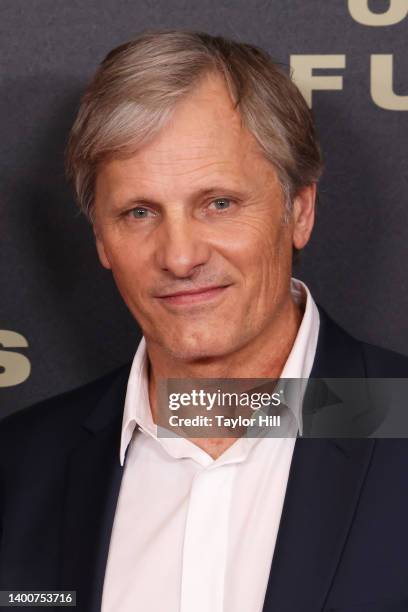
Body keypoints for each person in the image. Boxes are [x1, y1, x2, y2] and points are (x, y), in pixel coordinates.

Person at [0, 30, 408, 612]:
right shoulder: (19, 470)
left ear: (299, 211)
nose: (181, 256)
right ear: (101, 240)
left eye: (218, 204)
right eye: (139, 212)